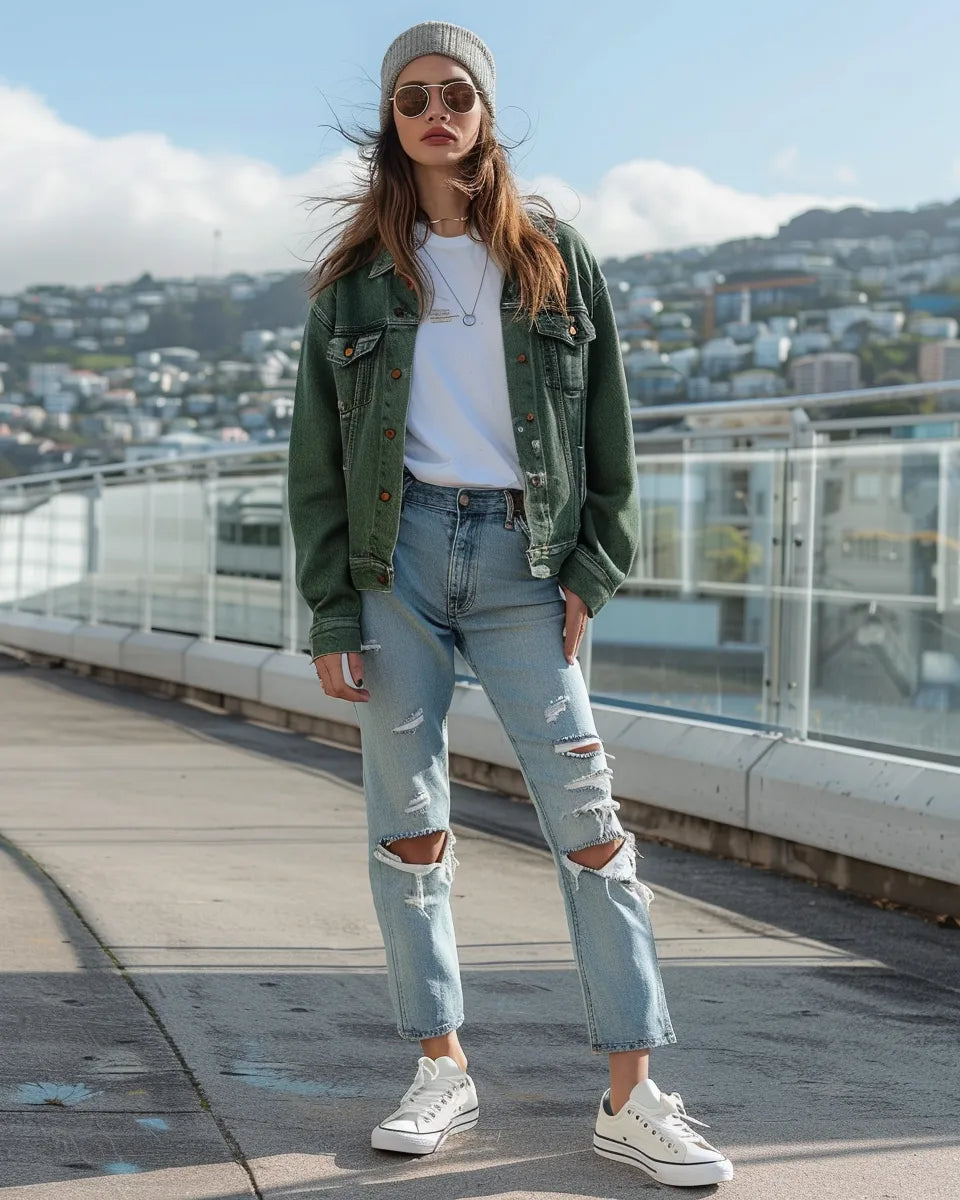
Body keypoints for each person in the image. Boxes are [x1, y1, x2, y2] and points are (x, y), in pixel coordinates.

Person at [287, 20, 732, 1188]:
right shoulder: (350, 284)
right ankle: (441, 1067)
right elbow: (318, 463)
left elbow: (610, 436)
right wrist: (334, 612)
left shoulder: (553, 255)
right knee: (409, 825)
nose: (438, 112)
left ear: (485, 113)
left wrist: (593, 570)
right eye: (414, 98)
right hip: (399, 562)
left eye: (458, 95)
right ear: (392, 124)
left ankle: (633, 1095)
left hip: (525, 563)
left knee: (592, 828)